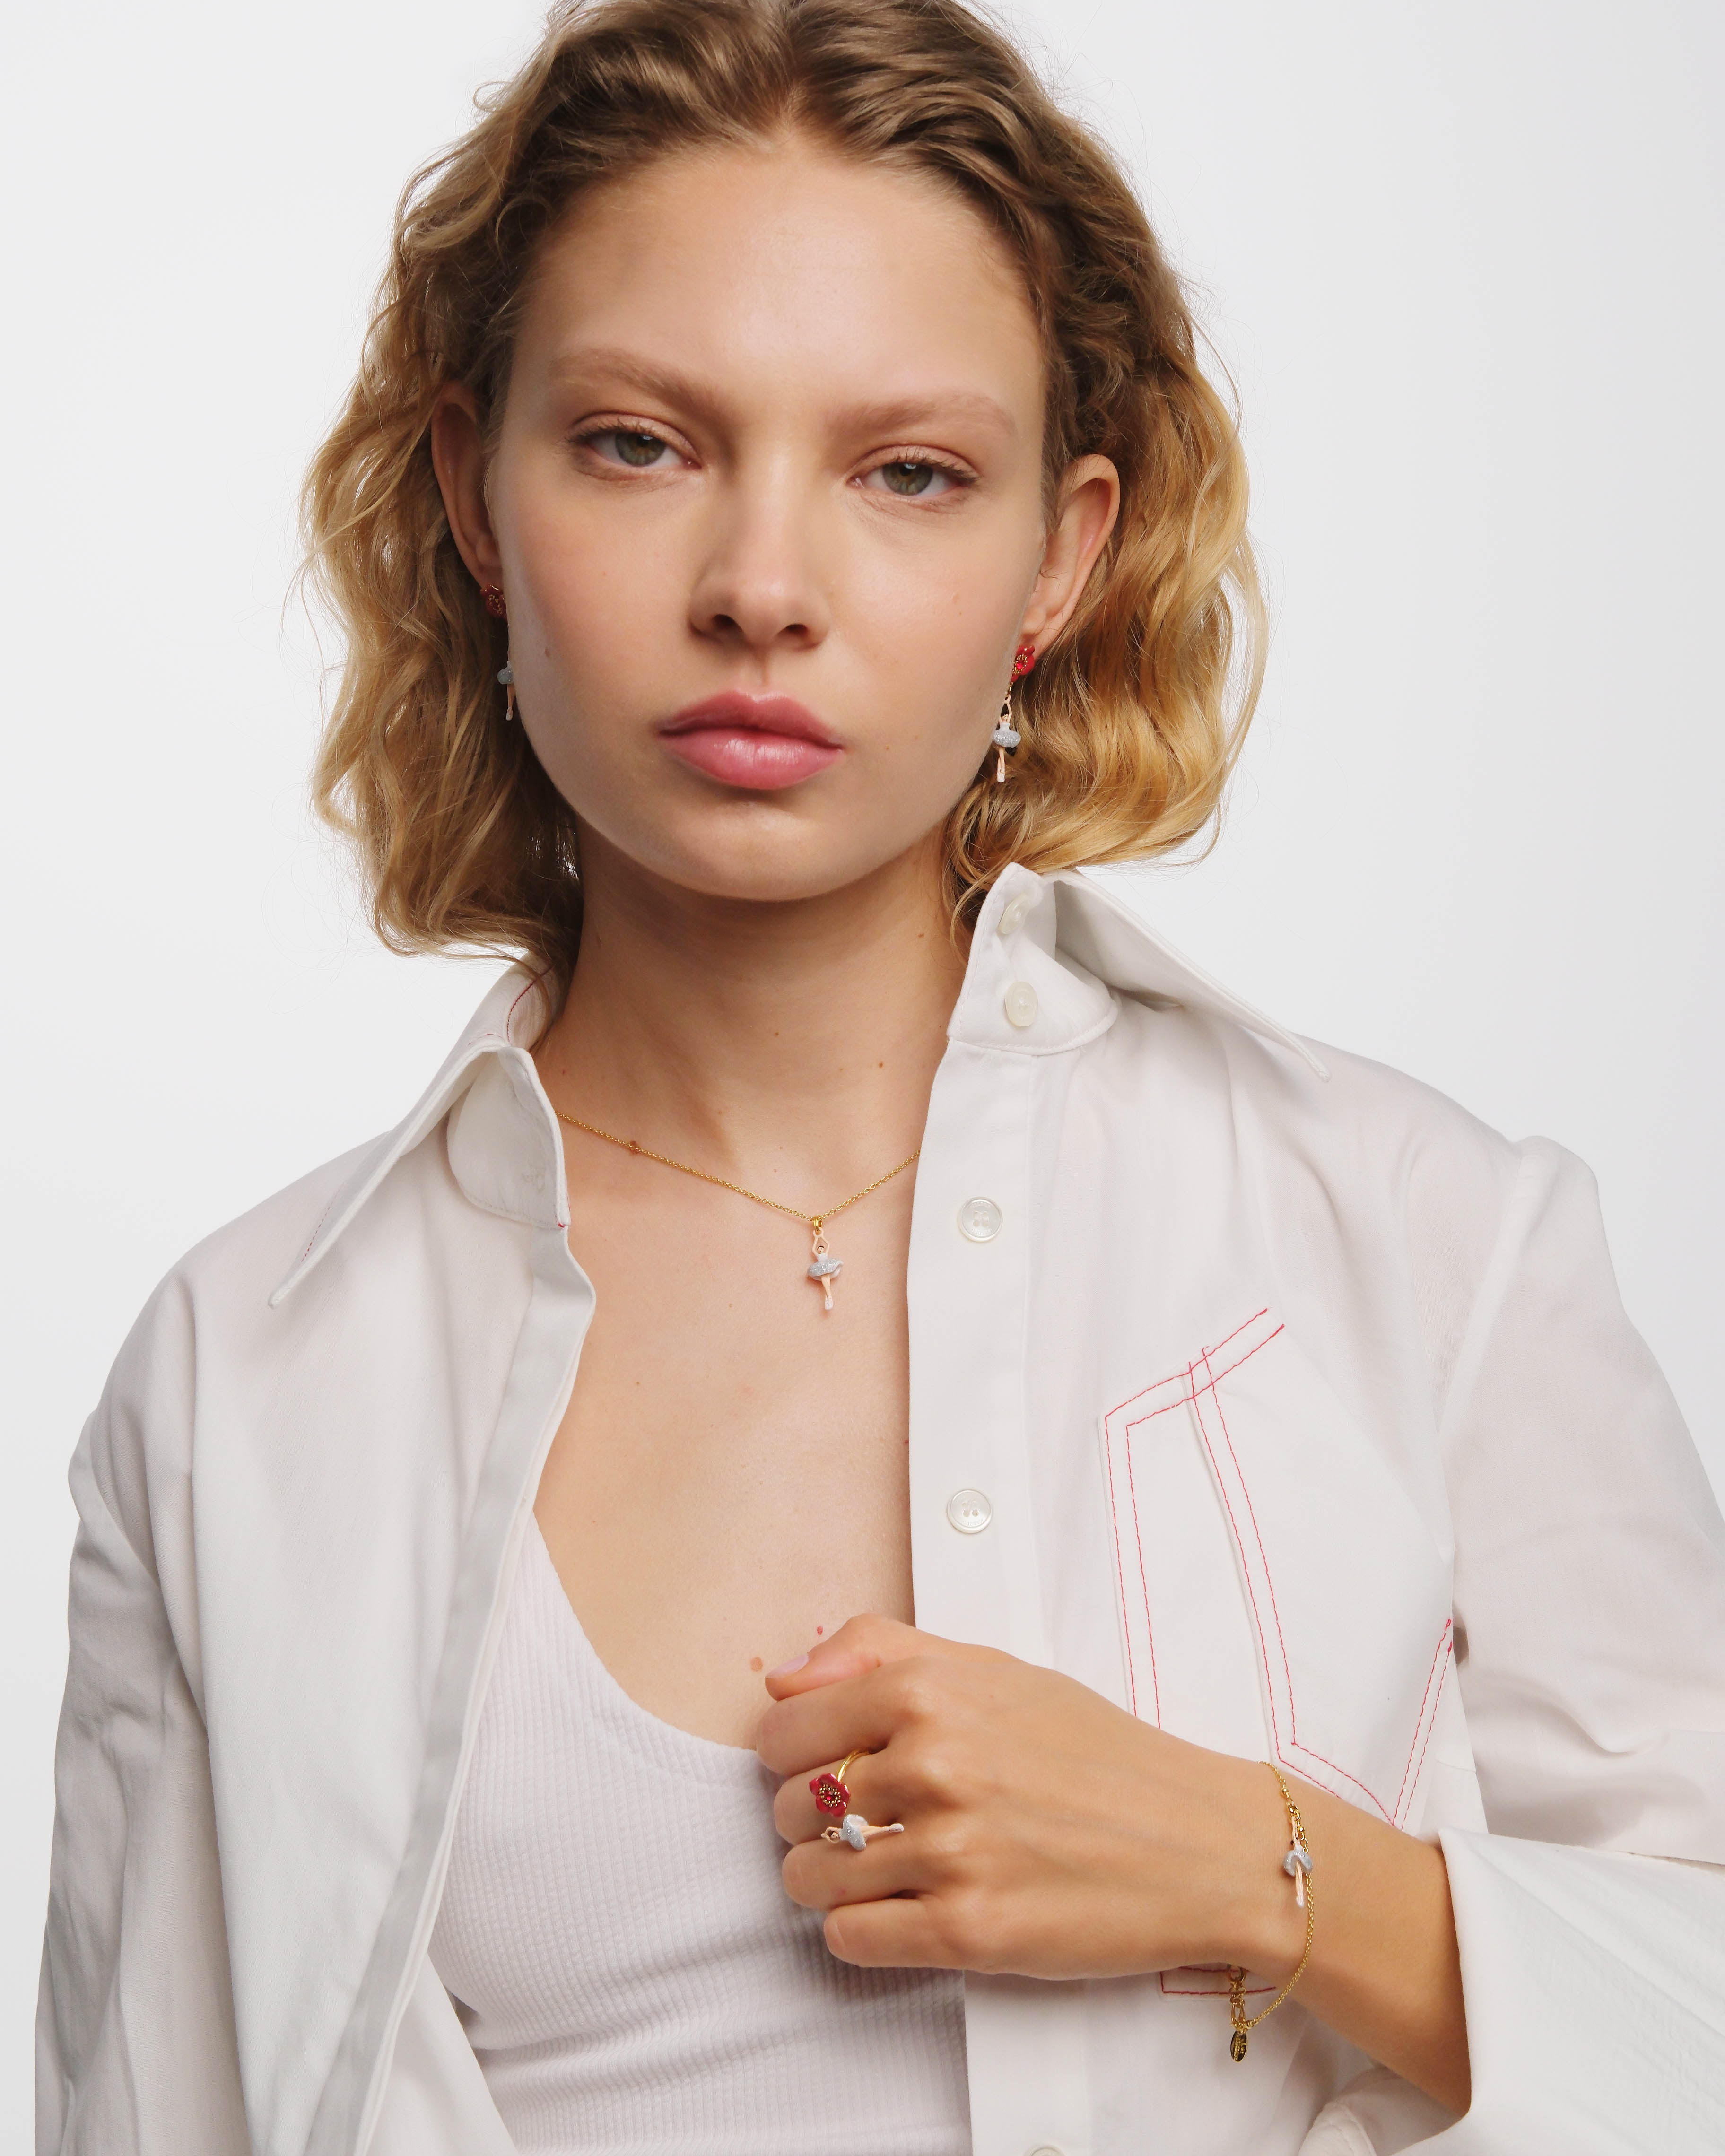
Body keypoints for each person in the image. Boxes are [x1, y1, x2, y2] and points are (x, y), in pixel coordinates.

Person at [36, 1, 1725, 2151]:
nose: (762, 591)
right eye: (640, 444)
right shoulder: (233, 1396)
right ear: (473, 494)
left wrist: (1257, 1873)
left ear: (1061, 554)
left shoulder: (1425, 1244)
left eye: (907, 473)